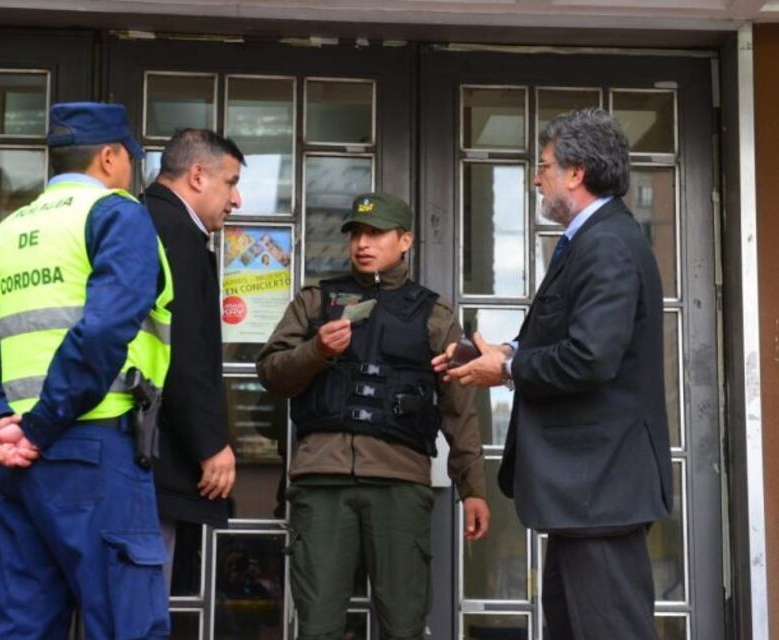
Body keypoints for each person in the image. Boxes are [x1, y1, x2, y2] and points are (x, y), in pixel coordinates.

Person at [435, 107, 672, 640]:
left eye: (543, 166)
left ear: (576, 173)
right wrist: (495, 353)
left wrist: (511, 367)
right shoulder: (590, 239)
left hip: (600, 487)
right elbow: (569, 337)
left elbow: (591, 357)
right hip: (586, 494)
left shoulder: (607, 243)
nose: (536, 178)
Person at [0, 102, 173, 640]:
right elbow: (101, 332)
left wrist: (2, 423)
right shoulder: (118, 214)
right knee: (125, 624)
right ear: (111, 157)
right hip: (95, 452)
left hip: (16, 461)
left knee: (18, 624)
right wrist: (40, 427)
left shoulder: (4, 235)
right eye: (129, 160)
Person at [256, 192, 490, 640]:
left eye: (376, 233)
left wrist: (473, 488)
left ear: (405, 240)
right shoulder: (315, 302)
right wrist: (317, 351)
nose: (363, 243)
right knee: (318, 626)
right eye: (356, 233)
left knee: (403, 624)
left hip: (399, 485)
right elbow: (271, 374)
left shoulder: (435, 314)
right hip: (321, 481)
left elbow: (460, 408)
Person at [142, 128, 243, 588]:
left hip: (122, 444)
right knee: (140, 600)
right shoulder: (176, 233)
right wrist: (210, 444)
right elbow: (181, 348)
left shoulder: (138, 220)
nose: (237, 199)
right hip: (153, 451)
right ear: (198, 176)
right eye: (231, 182)